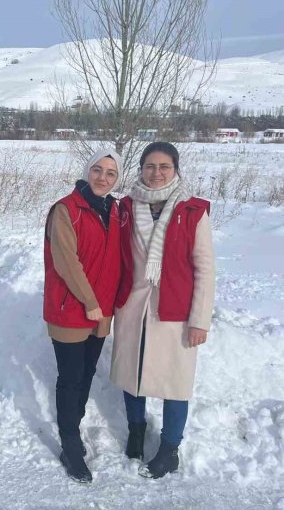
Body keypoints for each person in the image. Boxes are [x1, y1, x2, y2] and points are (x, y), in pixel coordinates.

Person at [110, 141, 215, 479]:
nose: (156, 174)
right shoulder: (125, 207)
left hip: (176, 312)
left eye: (164, 167)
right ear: (141, 169)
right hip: (134, 307)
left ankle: (170, 449)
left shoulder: (192, 211)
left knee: (176, 382)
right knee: (132, 374)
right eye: (150, 166)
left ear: (175, 169)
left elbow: (205, 269)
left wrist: (200, 320)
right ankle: (137, 432)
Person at [43, 148, 123, 483]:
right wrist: (90, 301)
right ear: (86, 171)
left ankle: (73, 426)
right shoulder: (67, 209)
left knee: (88, 373)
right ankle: (71, 444)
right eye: (97, 170)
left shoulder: (117, 210)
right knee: (71, 377)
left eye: (110, 173)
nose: (103, 178)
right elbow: (66, 261)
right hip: (71, 309)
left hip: (102, 310)